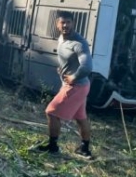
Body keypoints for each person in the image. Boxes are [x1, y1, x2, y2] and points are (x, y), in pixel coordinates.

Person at [32, 10, 93, 159]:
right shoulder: (61, 38)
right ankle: (85, 149)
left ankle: (53, 147)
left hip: (76, 85)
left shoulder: (79, 43)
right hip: (80, 86)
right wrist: (63, 68)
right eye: (62, 22)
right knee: (80, 117)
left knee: (51, 112)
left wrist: (73, 76)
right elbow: (68, 58)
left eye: (68, 22)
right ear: (57, 24)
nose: (65, 25)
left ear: (73, 23)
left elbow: (87, 67)